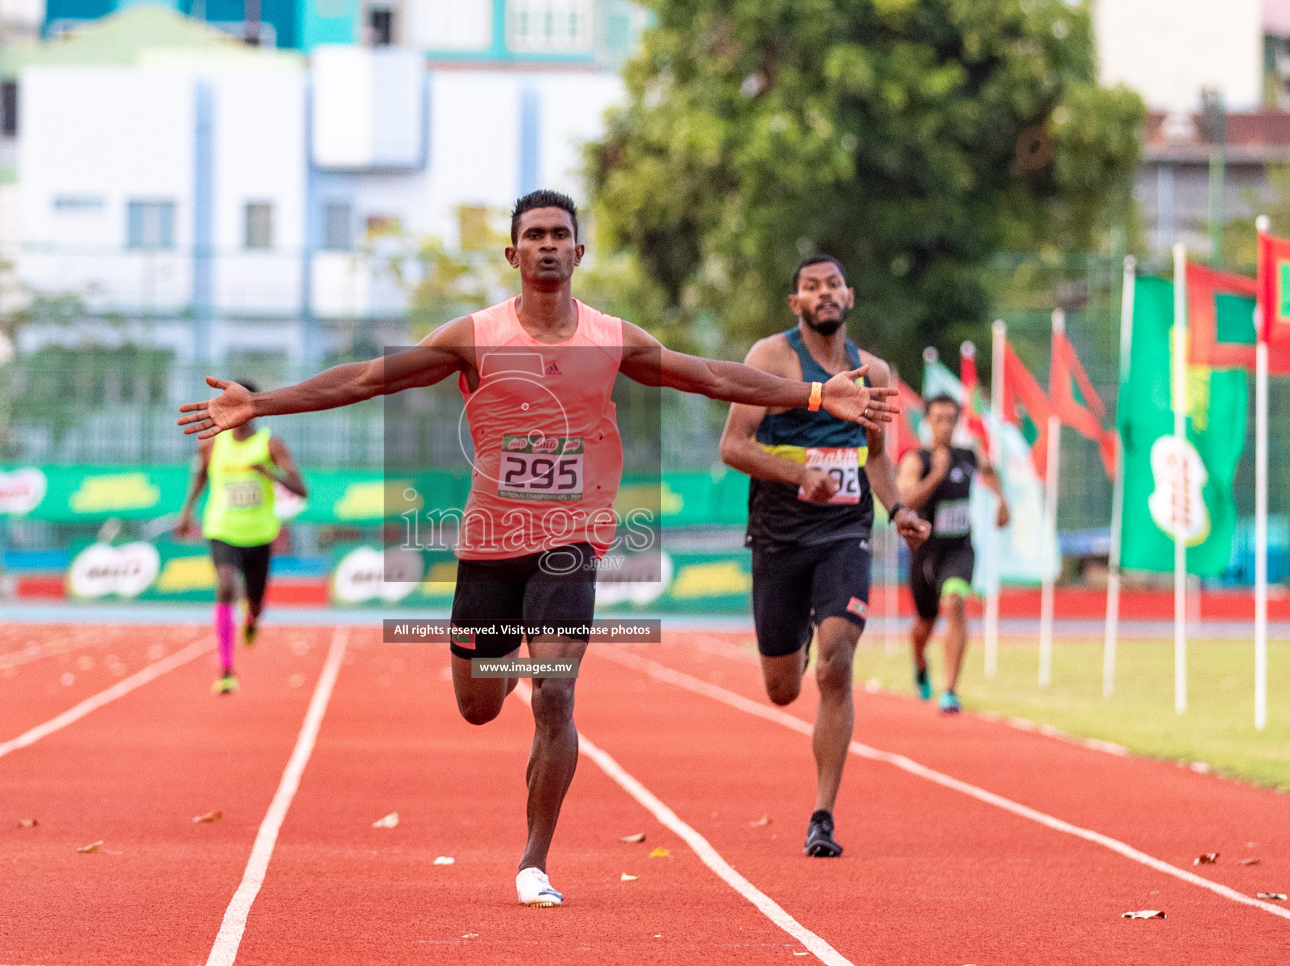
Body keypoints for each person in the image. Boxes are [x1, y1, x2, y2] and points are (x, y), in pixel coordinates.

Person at [179, 191, 898, 906]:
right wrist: (261, 403)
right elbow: (370, 377)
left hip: (570, 543)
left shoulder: (612, 337)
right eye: (536, 235)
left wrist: (812, 396)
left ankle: (533, 861)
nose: (549, 245)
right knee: (479, 705)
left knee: (554, 693)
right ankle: (502, 663)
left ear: (579, 252)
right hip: (490, 547)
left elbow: (708, 375)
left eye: (562, 235)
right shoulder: (476, 335)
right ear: (513, 253)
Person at [720, 254, 930, 858]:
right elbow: (734, 445)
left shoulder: (874, 370)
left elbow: (878, 458)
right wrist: (796, 473)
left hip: (844, 533)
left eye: (833, 283)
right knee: (783, 689)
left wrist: (900, 512)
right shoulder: (770, 359)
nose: (824, 293)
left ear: (850, 295)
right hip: (780, 537)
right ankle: (802, 635)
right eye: (811, 287)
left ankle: (822, 816)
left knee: (836, 663)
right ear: (796, 304)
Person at [176, 379, 308, 695]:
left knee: (256, 601)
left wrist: (268, 473)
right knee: (224, 585)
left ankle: (252, 618)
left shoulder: (270, 445)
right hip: (222, 528)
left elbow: (301, 490)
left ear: (252, 407)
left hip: (259, 533)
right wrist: (186, 513)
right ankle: (225, 668)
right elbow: (200, 478)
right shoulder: (211, 443)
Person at [896, 394, 1009, 714]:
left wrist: (1002, 501)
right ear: (927, 422)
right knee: (924, 626)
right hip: (925, 553)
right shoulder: (917, 460)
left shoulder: (967, 455)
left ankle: (950, 689)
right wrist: (936, 475)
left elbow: (989, 471)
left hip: (959, 549)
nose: (945, 425)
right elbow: (905, 501)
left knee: (956, 602)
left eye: (950, 418)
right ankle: (919, 662)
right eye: (939, 418)